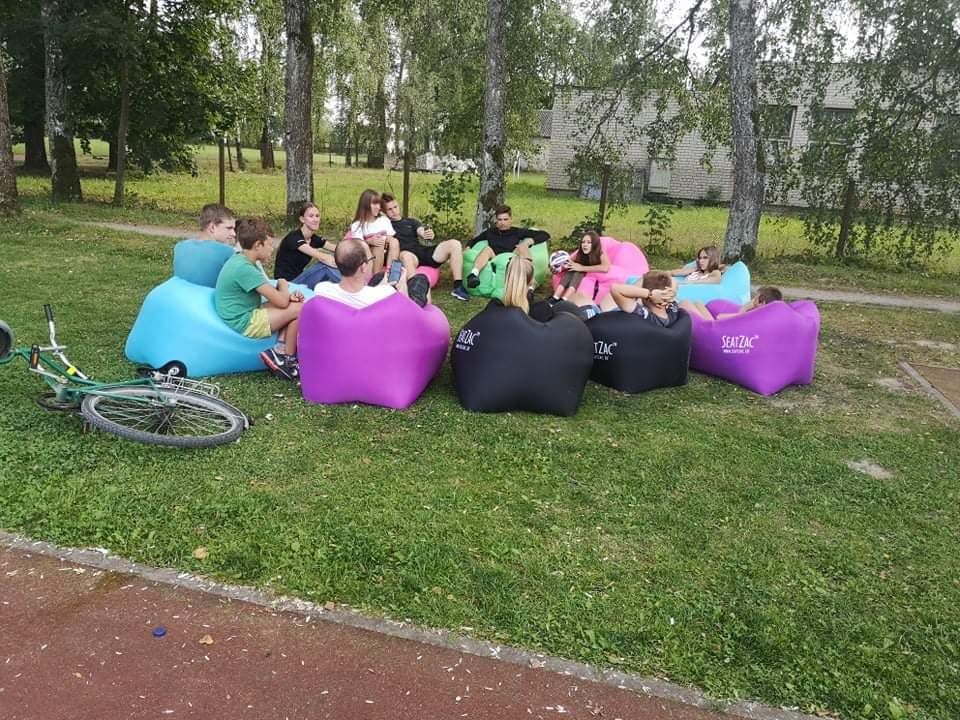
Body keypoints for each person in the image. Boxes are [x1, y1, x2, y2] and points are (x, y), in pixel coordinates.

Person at [214, 217, 305, 382]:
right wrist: (283, 284)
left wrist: (286, 296)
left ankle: (280, 350)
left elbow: (273, 295)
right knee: (299, 309)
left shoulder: (242, 260)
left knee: (294, 306)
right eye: (269, 244)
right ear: (258, 245)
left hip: (245, 311)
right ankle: (287, 360)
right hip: (244, 321)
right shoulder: (245, 269)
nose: (272, 249)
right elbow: (281, 302)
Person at [380, 192, 470, 301]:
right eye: (390, 209)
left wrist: (426, 234)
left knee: (454, 244)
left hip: (422, 251)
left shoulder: (410, 221)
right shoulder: (385, 225)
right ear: (384, 212)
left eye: (395, 207)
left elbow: (421, 230)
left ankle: (458, 286)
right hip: (408, 256)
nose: (394, 211)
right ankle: (416, 292)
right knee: (405, 255)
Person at [312, 237, 431, 309]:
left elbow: (365, 294)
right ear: (363, 267)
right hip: (403, 314)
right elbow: (409, 312)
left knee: (379, 276)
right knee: (421, 278)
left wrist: (383, 283)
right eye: (371, 259)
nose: (372, 261)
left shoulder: (322, 289)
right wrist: (403, 284)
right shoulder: (386, 294)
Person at [465, 205, 550, 288]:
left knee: (522, 247)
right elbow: (474, 240)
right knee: (487, 249)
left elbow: (545, 234)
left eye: (505, 219)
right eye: (500, 220)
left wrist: (529, 242)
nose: (502, 223)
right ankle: (473, 275)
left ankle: (530, 284)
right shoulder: (490, 232)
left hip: (511, 260)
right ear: (496, 221)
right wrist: (468, 246)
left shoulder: (517, 231)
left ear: (510, 220)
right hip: (495, 260)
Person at [274, 202, 341, 287]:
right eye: (311, 216)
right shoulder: (294, 237)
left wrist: (352, 252)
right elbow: (322, 257)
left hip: (299, 281)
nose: (315, 219)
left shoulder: (313, 238)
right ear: (302, 219)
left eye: (317, 216)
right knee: (324, 266)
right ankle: (352, 287)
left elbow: (338, 248)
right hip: (287, 285)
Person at [549, 230, 610, 304]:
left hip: (591, 274)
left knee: (578, 272)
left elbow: (605, 267)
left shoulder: (600, 252)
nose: (585, 245)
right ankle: (555, 297)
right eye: (583, 242)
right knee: (572, 270)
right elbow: (569, 262)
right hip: (580, 270)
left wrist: (581, 268)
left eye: (589, 242)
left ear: (594, 244)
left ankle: (565, 299)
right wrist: (558, 268)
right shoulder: (580, 252)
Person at [347, 189, 399, 274]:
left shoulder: (384, 220)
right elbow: (358, 247)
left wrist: (386, 240)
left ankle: (390, 273)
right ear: (365, 205)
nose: (378, 207)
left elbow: (390, 236)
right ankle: (376, 277)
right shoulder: (357, 225)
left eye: (379, 204)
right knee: (378, 245)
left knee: (394, 241)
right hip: (368, 258)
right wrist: (369, 241)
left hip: (387, 255)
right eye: (374, 204)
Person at [680, 285, 783, 321]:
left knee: (685, 302)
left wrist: (743, 309)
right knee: (698, 303)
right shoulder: (764, 315)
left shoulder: (754, 315)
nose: (752, 300)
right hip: (718, 327)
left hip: (717, 332)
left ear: (762, 303)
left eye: (755, 298)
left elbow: (719, 318)